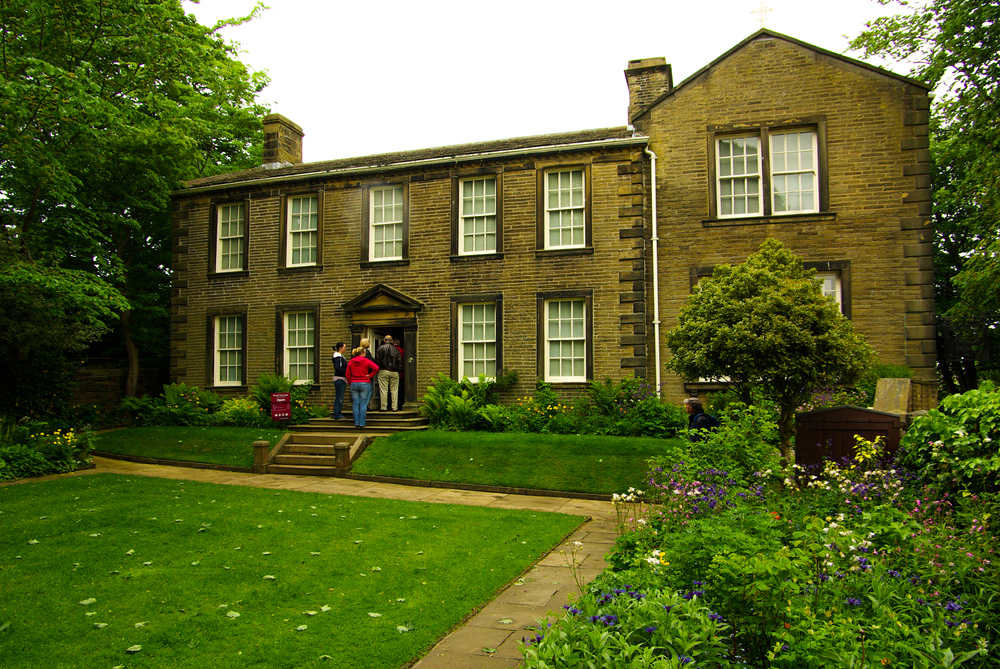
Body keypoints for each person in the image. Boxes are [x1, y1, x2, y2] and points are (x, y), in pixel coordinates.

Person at [346, 346, 379, 428]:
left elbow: (347, 374)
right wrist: (370, 375)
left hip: (354, 382)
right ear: (362, 353)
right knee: (363, 404)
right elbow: (376, 368)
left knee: (355, 404)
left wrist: (350, 383)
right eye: (364, 352)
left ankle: (356, 423)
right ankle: (362, 423)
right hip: (364, 382)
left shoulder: (351, 362)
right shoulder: (366, 361)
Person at [374, 334, 402, 412]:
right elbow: (400, 361)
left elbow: (377, 360)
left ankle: (383, 407)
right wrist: (398, 370)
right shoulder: (396, 349)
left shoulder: (380, 348)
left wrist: (378, 369)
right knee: (394, 390)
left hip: (383, 370)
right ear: (392, 341)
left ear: (384, 340)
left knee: (383, 390)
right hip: (394, 371)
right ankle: (394, 407)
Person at [331, 342, 348, 420]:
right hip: (339, 378)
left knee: (340, 397)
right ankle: (337, 414)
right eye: (344, 347)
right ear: (340, 348)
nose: (345, 348)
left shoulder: (340, 356)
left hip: (341, 378)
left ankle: (338, 413)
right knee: (339, 397)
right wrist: (347, 372)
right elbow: (337, 368)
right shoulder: (338, 357)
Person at [392, 338, 405, 410]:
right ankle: (398, 406)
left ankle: (387, 406)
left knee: (386, 390)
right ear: (399, 343)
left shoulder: (390, 350)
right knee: (399, 390)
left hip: (388, 372)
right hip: (400, 374)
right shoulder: (402, 351)